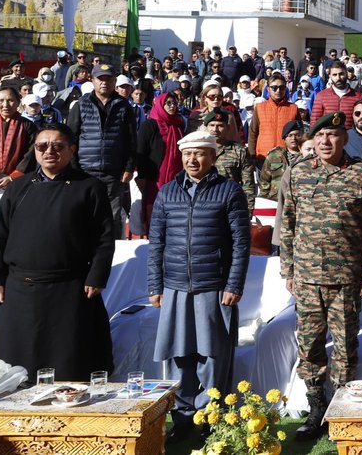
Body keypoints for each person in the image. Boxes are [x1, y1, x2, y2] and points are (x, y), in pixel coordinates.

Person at [280, 111, 362, 440]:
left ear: (344, 139)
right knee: (309, 345)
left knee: (345, 346)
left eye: (333, 135)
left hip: (346, 278)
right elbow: (288, 223)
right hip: (307, 277)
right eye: (320, 136)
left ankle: (339, 409)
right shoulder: (298, 173)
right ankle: (316, 407)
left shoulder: (361, 174)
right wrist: (288, 269)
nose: (325, 141)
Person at [148, 131, 250, 442]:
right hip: (175, 286)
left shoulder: (229, 191)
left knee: (213, 357)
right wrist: (155, 285)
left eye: (200, 153)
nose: (192, 160)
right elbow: (156, 243)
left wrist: (234, 284)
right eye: (187, 154)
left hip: (214, 287)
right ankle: (182, 418)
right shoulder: (167, 192)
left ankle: (211, 418)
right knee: (179, 355)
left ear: (212, 156)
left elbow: (241, 243)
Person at [0, 124, 114, 382]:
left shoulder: (89, 187)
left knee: (70, 367)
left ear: (72, 149)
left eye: (58, 146)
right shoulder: (18, 187)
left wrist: (97, 276)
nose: (49, 151)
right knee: (16, 370)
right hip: (19, 290)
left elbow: (104, 238)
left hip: (69, 288)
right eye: (42, 146)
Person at [67, 63, 135, 237]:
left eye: (108, 79)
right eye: (100, 79)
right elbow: (71, 139)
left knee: (113, 216)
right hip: (85, 170)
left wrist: (129, 167)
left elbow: (131, 140)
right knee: (84, 214)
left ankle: (112, 250)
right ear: (92, 80)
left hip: (114, 172)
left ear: (114, 82)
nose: (104, 83)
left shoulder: (124, 106)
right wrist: (74, 168)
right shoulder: (81, 105)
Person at [135, 92, 185, 232]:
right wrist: (142, 176)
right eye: (168, 103)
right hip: (155, 177)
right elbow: (141, 152)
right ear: (160, 104)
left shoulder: (179, 124)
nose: (172, 106)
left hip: (175, 176)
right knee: (155, 209)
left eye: (174, 103)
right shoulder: (149, 125)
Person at [202, 108, 256, 214]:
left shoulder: (239, 151)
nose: (215, 129)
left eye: (220, 126)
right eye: (212, 125)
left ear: (227, 128)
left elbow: (248, 185)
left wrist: (248, 212)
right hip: (203, 205)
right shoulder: (200, 150)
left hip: (230, 204)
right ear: (206, 127)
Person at [247, 75, 298, 164]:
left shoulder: (293, 108)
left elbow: (299, 134)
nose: (278, 90)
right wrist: (252, 155)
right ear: (268, 89)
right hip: (263, 157)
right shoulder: (260, 108)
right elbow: (253, 133)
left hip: (287, 158)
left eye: (282, 87)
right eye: (274, 88)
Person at [0, 87, 36, 188]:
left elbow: (31, 154)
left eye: (10, 100)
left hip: (17, 182)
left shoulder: (27, 125)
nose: (5, 105)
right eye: (1, 100)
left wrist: (12, 177)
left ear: (18, 102)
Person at [310, 62, 362, 130]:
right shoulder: (321, 96)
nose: (338, 78)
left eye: (341, 74)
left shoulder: (358, 97)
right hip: (327, 135)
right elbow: (314, 121)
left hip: (349, 135)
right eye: (334, 75)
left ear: (346, 74)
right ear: (330, 76)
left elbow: (361, 121)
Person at [258, 120, 303, 200]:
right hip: (275, 200)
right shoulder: (274, 155)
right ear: (284, 138)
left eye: (297, 135)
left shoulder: (307, 156)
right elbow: (264, 181)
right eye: (290, 135)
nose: (293, 138)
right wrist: (264, 199)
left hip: (300, 200)